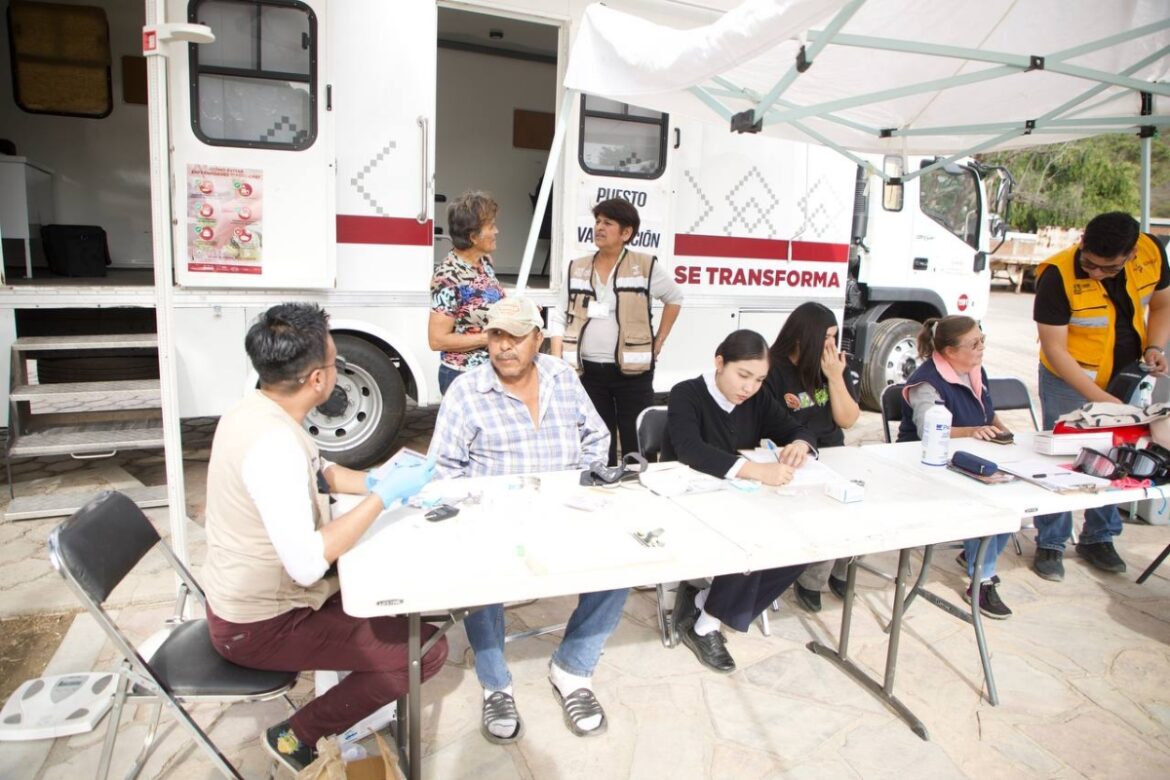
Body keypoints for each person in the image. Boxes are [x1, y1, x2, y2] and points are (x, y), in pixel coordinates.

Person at [202, 303, 448, 772]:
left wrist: (378, 478)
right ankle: (297, 735)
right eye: (335, 362)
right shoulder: (272, 446)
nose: (337, 370)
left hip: (263, 601)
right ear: (318, 379)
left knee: (391, 601)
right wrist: (384, 499)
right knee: (425, 650)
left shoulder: (257, 409)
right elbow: (307, 563)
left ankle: (358, 704)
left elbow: (321, 473)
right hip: (259, 626)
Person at [428, 295, 621, 743]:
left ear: (538, 338)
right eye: (496, 334)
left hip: (565, 510)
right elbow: (443, 471)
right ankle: (495, 683)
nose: (504, 347)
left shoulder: (562, 379)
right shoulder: (466, 392)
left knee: (623, 559)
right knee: (481, 577)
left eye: (516, 336)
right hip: (496, 522)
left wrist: (583, 484)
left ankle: (573, 669)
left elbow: (597, 434)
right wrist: (478, 514)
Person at [662, 329, 818, 673]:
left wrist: (800, 444)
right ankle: (705, 626)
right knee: (755, 536)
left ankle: (705, 602)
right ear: (720, 363)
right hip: (688, 501)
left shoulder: (756, 400)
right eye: (743, 375)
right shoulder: (687, 393)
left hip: (739, 499)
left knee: (803, 546)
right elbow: (691, 450)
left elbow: (795, 427)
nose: (749, 388)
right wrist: (756, 470)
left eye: (759, 380)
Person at [1032, 212, 1170, 581]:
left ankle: (1100, 537)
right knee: (1063, 456)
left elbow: (1161, 304)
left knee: (1120, 455)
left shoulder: (1152, 252)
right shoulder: (1057, 274)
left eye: (1106, 268)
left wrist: (1156, 346)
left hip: (1127, 374)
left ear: (1129, 254)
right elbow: (1056, 350)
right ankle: (1052, 541)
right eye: (1089, 263)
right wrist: (1100, 400)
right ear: (1082, 240)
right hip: (1069, 378)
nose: (1094, 273)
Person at [897, 315, 1015, 619]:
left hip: (968, 458)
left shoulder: (975, 371)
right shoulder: (927, 381)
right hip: (925, 464)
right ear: (950, 351)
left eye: (982, 339)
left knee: (1013, 493)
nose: (981, 348)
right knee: (991, 499)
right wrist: (973, 431)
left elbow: (987, 415)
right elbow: (928, 430)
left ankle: (978, 555)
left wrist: (1002, 430)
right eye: (974, 344)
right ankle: (981, 577)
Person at [549, 197, 684, 464]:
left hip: (633, 374)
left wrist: (660, 341)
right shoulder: (577, 267)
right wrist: (557, 361)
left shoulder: (645, 266)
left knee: (637, 438)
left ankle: (638, 487)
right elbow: (559, 315)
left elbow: (674, 298)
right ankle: (604, 484)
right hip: (587, 372)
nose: (599, 227)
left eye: (607, 223)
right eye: (597, 221)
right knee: (598, 438)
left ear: (626, 232)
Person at [764, 302, 862, 612]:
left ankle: (842, 568)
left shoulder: (832, 366)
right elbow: (767, 424)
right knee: (825, 507)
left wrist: (835, 378)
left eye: (835, 336)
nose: (831, 345)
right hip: (793, 455)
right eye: (826, 337)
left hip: (833, 451)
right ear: (802, 337)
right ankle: (810, 579)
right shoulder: (774, 369)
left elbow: (847, 420)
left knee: (857, 498)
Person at [429, 190, 507, 394]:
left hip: (490, 372)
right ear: (473, 236)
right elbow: (437, 340)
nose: (497, 231)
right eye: (491, 226)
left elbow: (483, 300)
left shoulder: (484, 263)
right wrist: (487, 338)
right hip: (463, 377)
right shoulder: (448, 277)